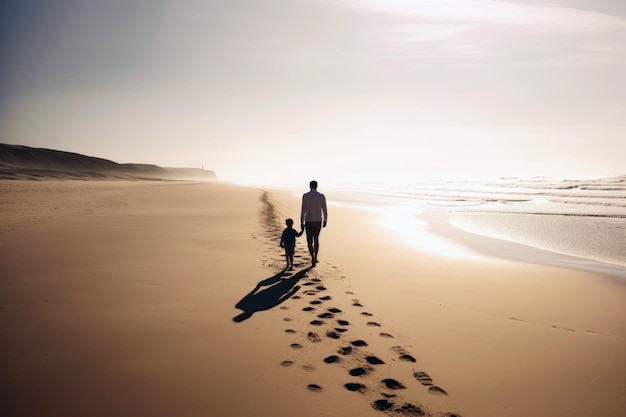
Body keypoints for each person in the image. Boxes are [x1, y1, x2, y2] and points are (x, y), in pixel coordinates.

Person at [300, 180, 327, 266]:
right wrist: (325, 220)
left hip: (308, 220)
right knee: (316, 239)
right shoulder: (321, 196)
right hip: (318, 220)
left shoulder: (305, 196)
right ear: (317, 186)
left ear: (310, 186)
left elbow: (303, 210)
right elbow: (324, 209)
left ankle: (312, 256)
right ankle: (315, 257)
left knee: (309, 240)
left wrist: (301, 221)